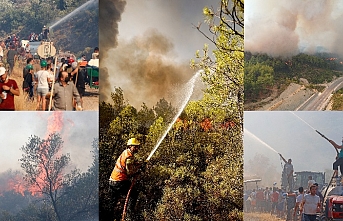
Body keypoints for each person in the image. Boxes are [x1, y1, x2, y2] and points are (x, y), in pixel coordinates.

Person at [109, 138, 145, 220]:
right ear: (130, 146)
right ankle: (129, 216)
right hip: (119, 182)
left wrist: (138, 164)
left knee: (113, 201)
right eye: (135, 147)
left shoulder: (126, 152)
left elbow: (128, 164)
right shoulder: (129, 157)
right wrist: (139, 170)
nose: (137, 148)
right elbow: (130, 172)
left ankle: (109, 217)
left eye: (137, 147)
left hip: (112, 181)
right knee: (134, 194)